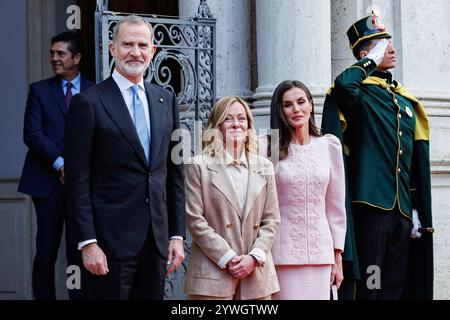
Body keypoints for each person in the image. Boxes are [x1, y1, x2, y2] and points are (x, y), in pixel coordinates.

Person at [64, 15, 186, 300]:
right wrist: (88, 242)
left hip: (155, 241)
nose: (135, 51)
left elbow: (173, 173)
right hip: (108, 242)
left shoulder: (165, 99)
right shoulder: (89, 102)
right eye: (127, 44)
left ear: (152, 51)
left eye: (143, 44)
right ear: (112, 49)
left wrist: (176, 235)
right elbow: (76, 179)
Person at [322, 13, 434, 300]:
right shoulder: (359, 95)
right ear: (366, 53)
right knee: (372, 281)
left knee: (395, 285)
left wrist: (416, 208)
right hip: (372, 206)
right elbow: (343, 83)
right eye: (384, 46)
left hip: (402, 212)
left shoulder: (402, 100)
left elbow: (409, 161)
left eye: (390, 44)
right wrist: (370, 60)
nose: (392, 50)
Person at [18, 31, 93, 300]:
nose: (54, 58)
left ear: (77, 57)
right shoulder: (39, 90)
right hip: (48, 183)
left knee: (79, 248)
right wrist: (61, 164)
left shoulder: (94, 90)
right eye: (52, 53)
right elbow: (32, 134)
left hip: (83, 184)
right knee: (47, 248)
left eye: (60, 53)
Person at [184, 97, 280, 300]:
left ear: (248, 125)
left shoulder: (265, 167)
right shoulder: (197, 166)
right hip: (212, 275)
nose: (236, 124)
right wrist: (228, 258)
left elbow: (271, 220)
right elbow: (194, 220)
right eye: (228, 119)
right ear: (217, 126)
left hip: (256, 276)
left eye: (241, 118)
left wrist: (254, 258)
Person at [259, 80, 346, 300]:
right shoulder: (266, 147)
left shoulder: (329, 146)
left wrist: (337, 257)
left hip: (322, 257)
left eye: (301, 102)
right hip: (281, 256)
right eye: (288, 105)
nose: (296, 109)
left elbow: (335, 207)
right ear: (280, 111)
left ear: (310, 106)